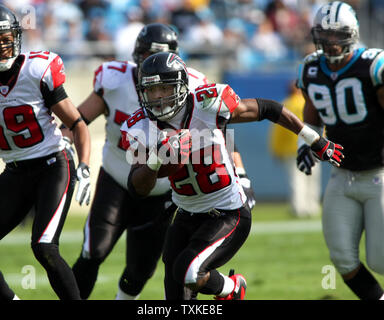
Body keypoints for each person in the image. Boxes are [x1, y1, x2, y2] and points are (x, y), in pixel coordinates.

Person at [121, 51, 344, 300]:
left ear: (181, 85)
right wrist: (156, 160)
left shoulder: (208, 104)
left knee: (189, 271)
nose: (158, 97)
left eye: (164, 88)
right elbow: (136, 187)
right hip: (185, 215)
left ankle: (232, 288)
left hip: (227, 212)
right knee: (175, 296)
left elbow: (270, 109)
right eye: (151, 91)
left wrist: (314, 140)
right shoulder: (139, 126)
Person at [67, 22, 256, 300]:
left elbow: (219, 131)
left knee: (142, 268)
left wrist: (240, 173)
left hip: (164, 188)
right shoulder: (115, 80)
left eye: (160, 56)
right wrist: (68, 151)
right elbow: (78, 119)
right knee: (94, 249)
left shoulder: (191, 84)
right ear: (135, 55)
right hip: (118, 177)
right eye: (145, 56)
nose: (151, 64)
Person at [0, 4, 91, 300]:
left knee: (44, 247)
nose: (1, 47)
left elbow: (77, 122)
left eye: (5, 39)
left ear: (16, 37)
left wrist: (85, 166)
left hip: (54, 165)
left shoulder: (37, 69)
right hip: (15, 172)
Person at [296, 1, 384, 300]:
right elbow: (311, 112)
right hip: (341, 175)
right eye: (325, 34)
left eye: (339, 34)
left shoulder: (372, 64)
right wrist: (305, 142)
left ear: (353, 33)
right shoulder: (310, 67)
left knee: (380, 260)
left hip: (379, 173)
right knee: (343, 259)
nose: (331, 42)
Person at [269, 80, 321, 217]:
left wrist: (276, 150)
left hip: (292, 150)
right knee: (312, 178)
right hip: (312, 147)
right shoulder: (310, 103)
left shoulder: (285, 105)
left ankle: (299, 207)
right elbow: (321, 125)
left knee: (297, 180)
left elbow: (278, 132)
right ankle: (312, 206)